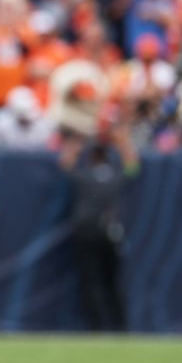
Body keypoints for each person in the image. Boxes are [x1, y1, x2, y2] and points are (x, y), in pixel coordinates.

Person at [59, 125, 140, 331]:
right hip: (111, 232)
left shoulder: (84, 175)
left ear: (91, 156)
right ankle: (120, 326)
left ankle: (96, 327)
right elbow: (133, 165)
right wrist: (122, 140)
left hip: (87, 232)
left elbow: (65, 164)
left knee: (91, 282)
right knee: (113, 282)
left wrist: (76, 143)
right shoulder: (115, 175)